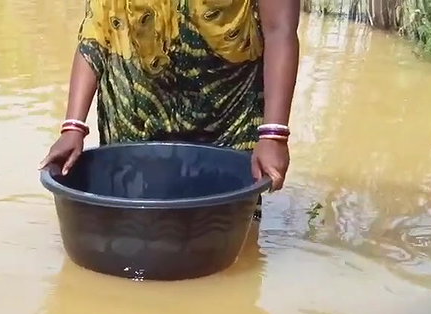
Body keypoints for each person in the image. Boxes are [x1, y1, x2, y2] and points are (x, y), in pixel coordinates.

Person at [40, 0, 300, 191]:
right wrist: (73, 127)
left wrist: (274, 136)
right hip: (136, 119)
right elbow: (96, 31)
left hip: (229, 118)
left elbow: (280, 30)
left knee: (232, 240)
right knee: (133, 230)